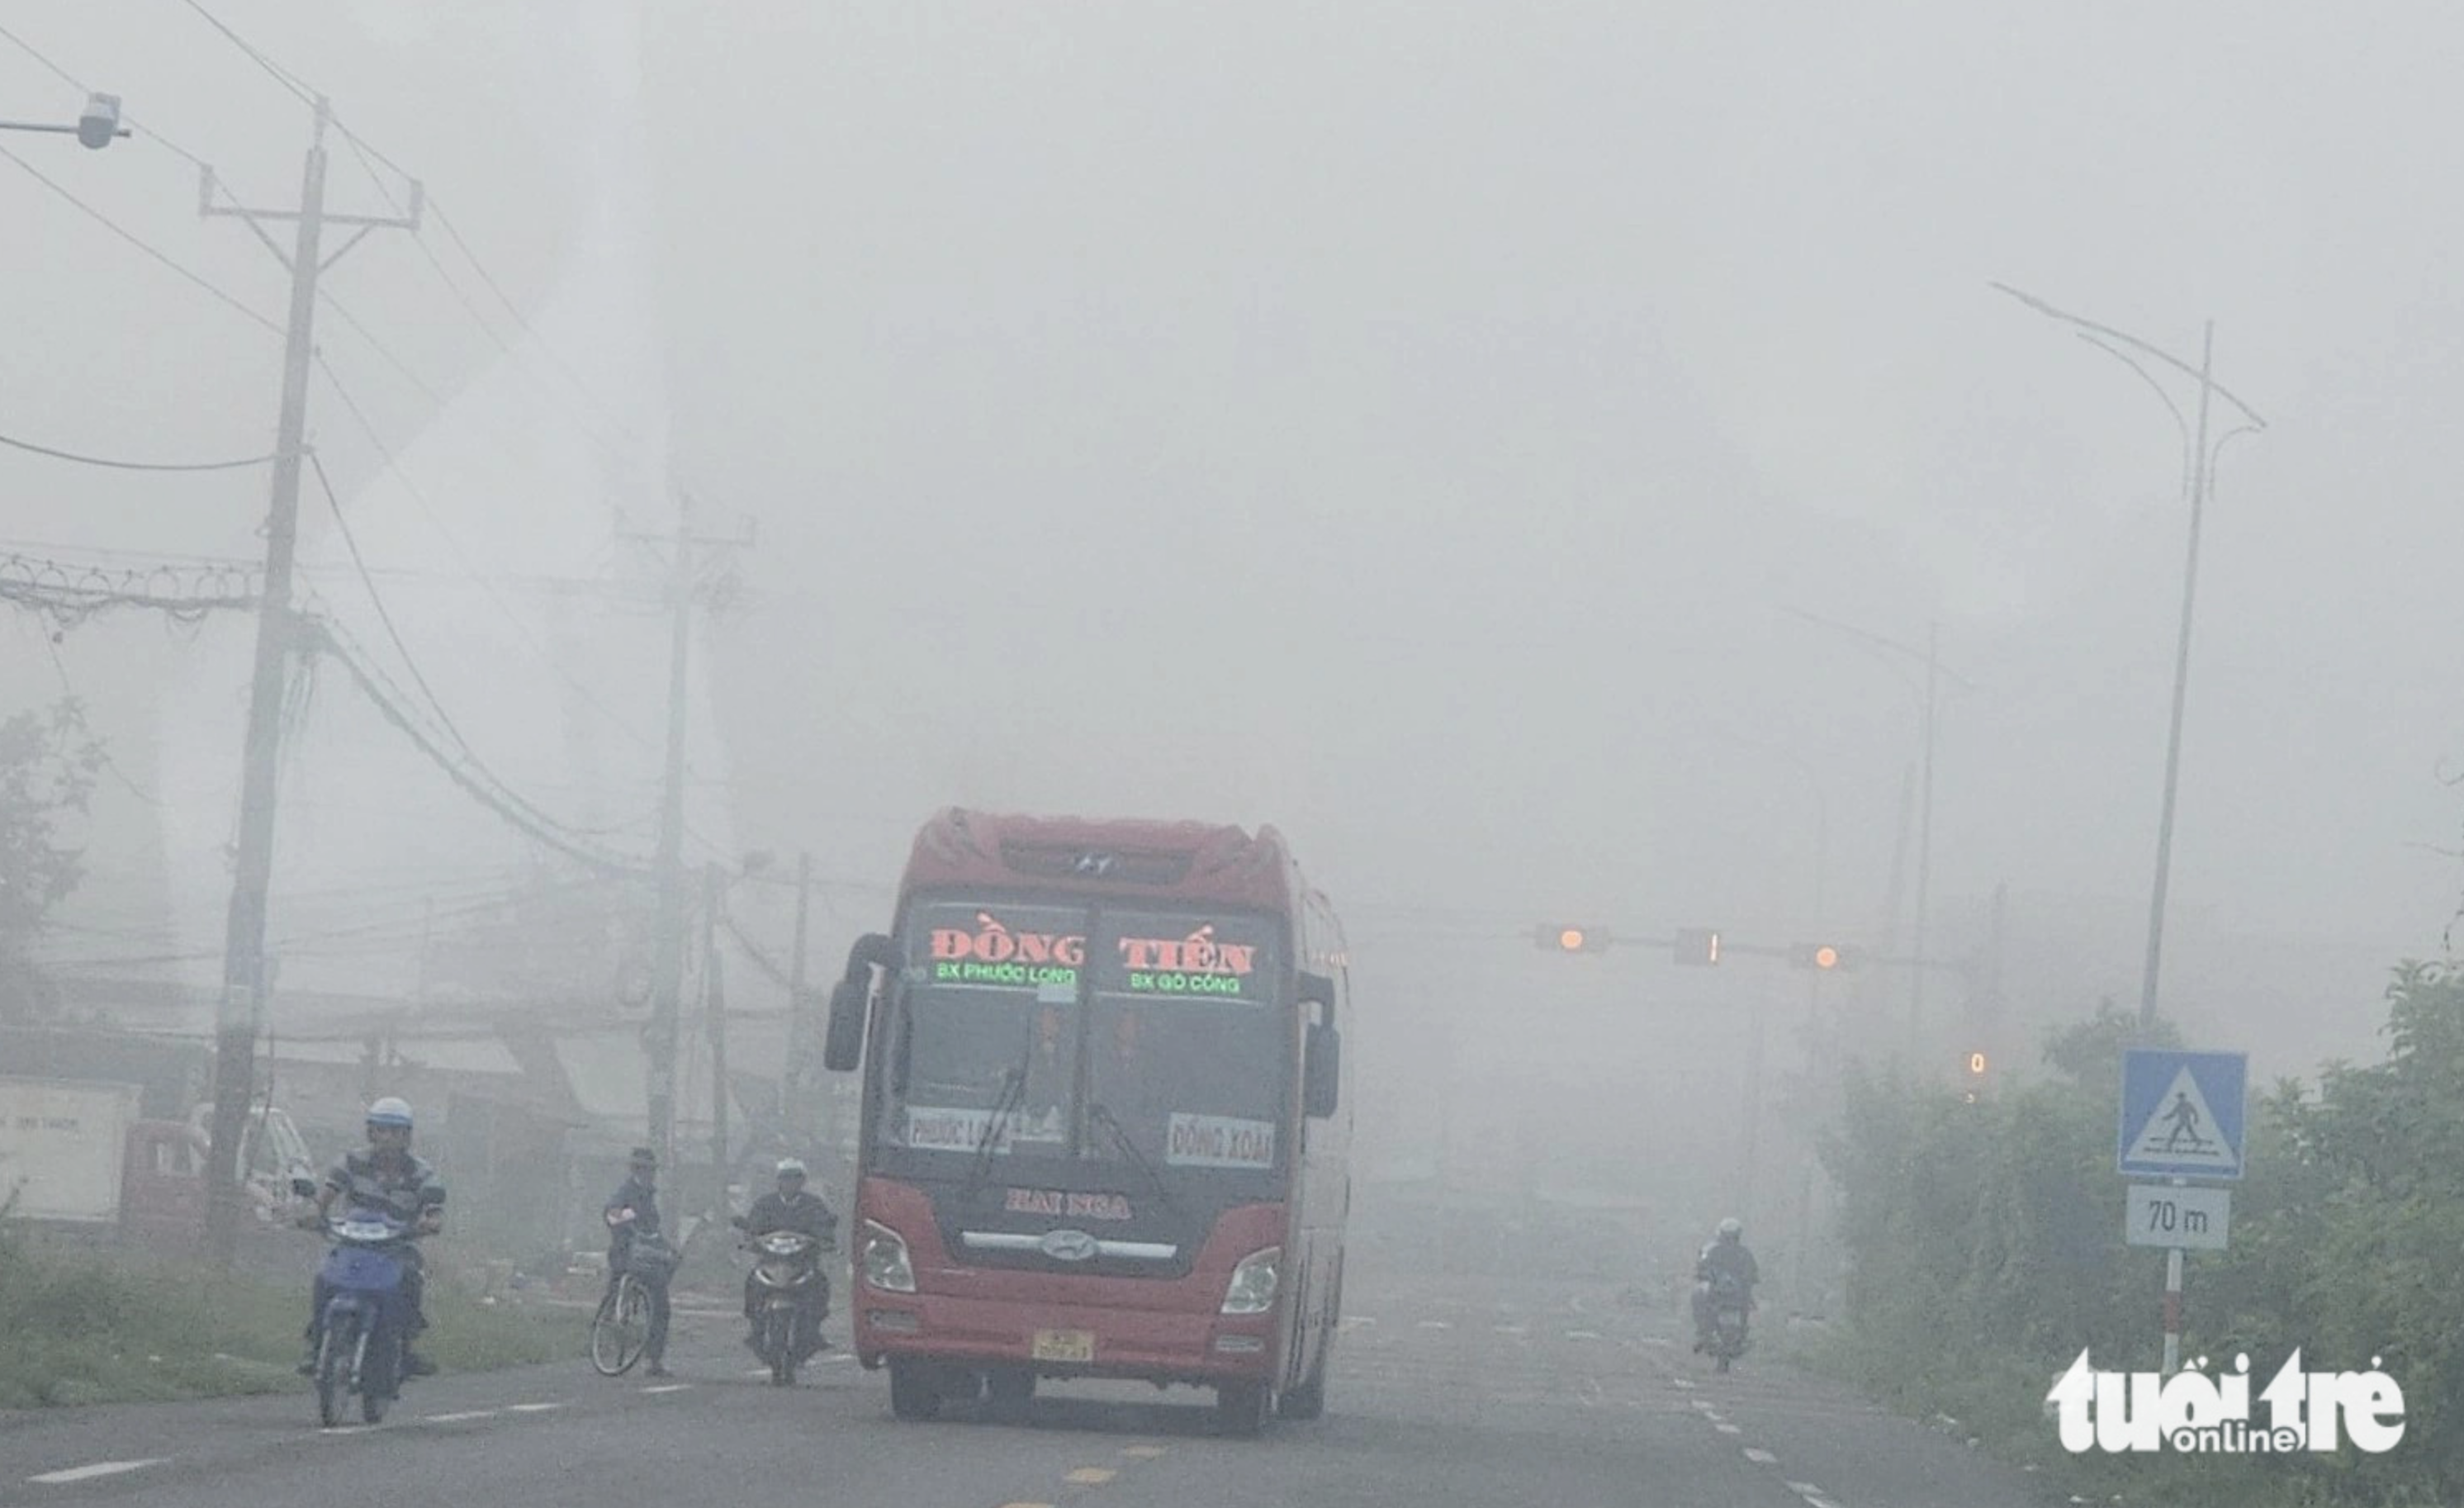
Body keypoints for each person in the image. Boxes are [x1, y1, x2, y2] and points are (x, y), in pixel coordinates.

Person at [297, 1097, 445, 1378]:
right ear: (371, 1132)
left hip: (397, 1246)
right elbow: (325, 1197)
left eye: (395, 1132)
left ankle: (405, 1346)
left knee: (411, 1279)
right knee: (324, 1279)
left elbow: (433, 1208)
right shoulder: (351, 1162)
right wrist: (314, 1212)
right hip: (351, 1243)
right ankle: (318, 1345)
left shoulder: (422, 1173)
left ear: (407, 1136)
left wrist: (430, 1221)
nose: (387, 1138)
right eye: (381, 1130)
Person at [734, 1157, 838, 1356]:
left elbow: (824, 1226)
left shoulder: (813, 1204)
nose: (791, 1183)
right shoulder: (765, 1203)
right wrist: (750, 1236)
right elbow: (753, 1226)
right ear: (778, 1181)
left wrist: (825, 1240)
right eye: (786, 1178)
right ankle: (755, 1328)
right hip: (770, 1262)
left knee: (820, 1283)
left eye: (796, 1178)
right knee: (752, 1283)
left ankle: (814, 1330)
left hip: (803, 1263)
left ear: (803, 1181)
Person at [604, 1146, 674, 1378]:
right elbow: (611, 1215)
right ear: (635, 1169)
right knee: (616, 1295)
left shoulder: (652, 1195)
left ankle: (654, 1358)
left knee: (661, 1306)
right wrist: (628, 1217)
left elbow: (653, 1228)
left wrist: (667, 1247)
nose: (646, 1173)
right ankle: (608, 1328)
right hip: (625, 1253)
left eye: (650, 1169)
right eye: (642, 1168)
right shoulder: (626, 1191)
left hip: (647, 1255)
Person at [1692, 1216, 1759, 1353]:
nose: (1730, 1239)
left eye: (1732, 1236)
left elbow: (1753, 1270)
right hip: (1717, 1288)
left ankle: (1743, 1333)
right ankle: (1703, 1331)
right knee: (1699, 1295)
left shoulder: (1744, 1253)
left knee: (1747, 1304)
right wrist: (1704, 1275)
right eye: (1727, 1236)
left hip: (1737, 1292)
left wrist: (1751, 1280)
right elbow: (1702, 1265)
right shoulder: (1711, 1250)